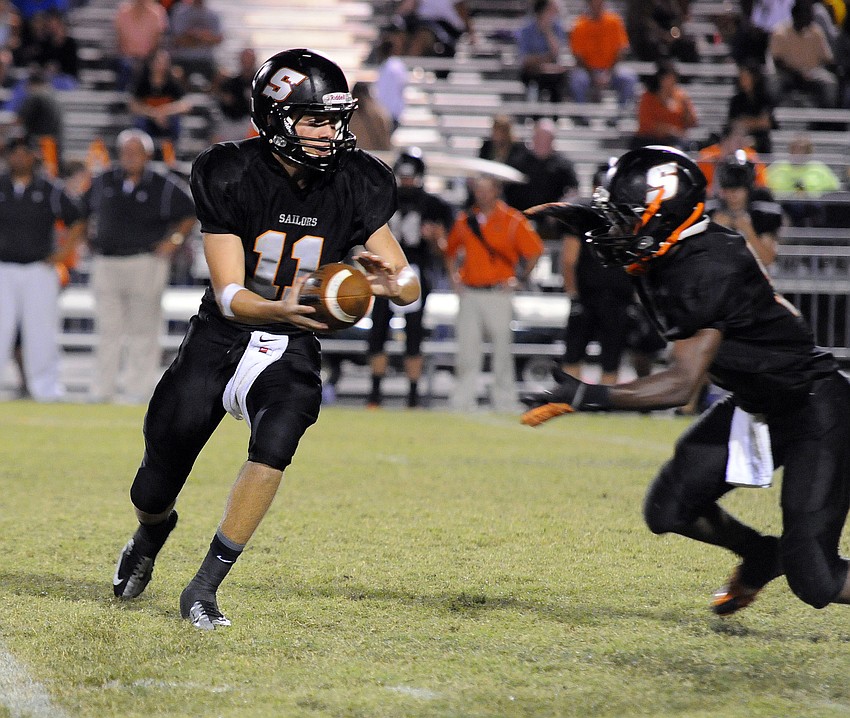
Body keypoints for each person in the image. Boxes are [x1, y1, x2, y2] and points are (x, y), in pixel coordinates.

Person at [111, 49, 420, 630]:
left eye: (336, 118)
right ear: (277, 120)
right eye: (316, 120)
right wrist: (273, 303)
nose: (333, 132)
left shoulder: (358, 181)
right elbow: (229, 292)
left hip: (293, 341)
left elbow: (408, 283)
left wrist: (392, 282)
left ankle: (204, 586)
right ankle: (152, 533)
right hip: (220, 335)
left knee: (280, 436)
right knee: (154, 481)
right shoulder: (229, 171)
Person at [521, 145, 850, 617]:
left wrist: (587, 394)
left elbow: (681, 385)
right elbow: (624, 232)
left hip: (814, 407)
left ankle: (786, 559)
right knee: (670, 509)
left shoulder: (706, 265)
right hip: (759, 404)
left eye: (624, 217)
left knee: (815, 576)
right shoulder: (669, 243)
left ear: (663, 212)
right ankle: (759, 552)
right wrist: (584, 216)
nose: (615, 229)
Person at [81, 128, 196, 404]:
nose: (129, 157)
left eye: (135, 151)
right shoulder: (104, 180)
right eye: (125, 151)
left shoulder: (162, 184)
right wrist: (88, 240)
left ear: (147, 154)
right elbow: (82, 211)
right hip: (107, 261)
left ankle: (138, 390)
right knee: (107, 329)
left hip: (146, 260)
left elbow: (189, 212)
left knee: (143, 329)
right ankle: (102, 390)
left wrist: (174, 241)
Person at [444, 175, 543, 412]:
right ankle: (463, 399)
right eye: (479, 190)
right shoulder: (466, 220)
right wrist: (454, 279)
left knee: (501, 349)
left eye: (487, 190)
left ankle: (505, 399)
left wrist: (520, 279)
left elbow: (535, 250)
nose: (482, 195)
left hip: (498, 292)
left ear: (496, 191)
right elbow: (450, 250)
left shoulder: (511, 220)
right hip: (470, 292)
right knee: (468, 350)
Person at [0, 134, 84, 401]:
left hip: (39, 268)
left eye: (25, 152)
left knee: (41, 332)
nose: (19, 158)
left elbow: (77, 218)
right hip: (3, 268)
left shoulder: (49, 188)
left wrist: (64, 252)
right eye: (14, 152)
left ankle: (45, 388)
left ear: (34, 156)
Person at [366, 148, 453, 409]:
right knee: (378, 330)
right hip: (386, 269)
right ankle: (375, 393)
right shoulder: (383, 199)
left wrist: (435, 238)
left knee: (414, 332)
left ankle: (413, 395)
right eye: (402, 177)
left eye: (410, 177)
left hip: (415, 268)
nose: (406, 183)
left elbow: (443, 248)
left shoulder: (433, 205)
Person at [707, 151, 784, 268]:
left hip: (752, 278)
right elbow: (702, 260)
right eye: (729, 190)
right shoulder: (711, 212)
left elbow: (767, 259)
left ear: (748, 189)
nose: (733, 196)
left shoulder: (761, 212)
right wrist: (715, 232)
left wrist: (748, 231)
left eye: (738, 190)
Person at [569, 0, 637, 113]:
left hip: (611, 70)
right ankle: (582, 116)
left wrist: (608, 73)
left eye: (600, 3)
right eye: (593, 3)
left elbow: (621, 50)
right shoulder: (579, 24)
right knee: (578, 80)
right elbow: (577, 56)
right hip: (588, 71)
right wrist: (593, 76)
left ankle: (619, 116)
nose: (597, 6)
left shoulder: (614, 22)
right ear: (588, 4)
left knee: (629, 78)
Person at [769, 0, 837, 108]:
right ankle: (772, 114)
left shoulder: (816, 32)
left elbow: (827, 59)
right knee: (773, 82)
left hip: (812, 74)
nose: (810, 17)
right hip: (788, 74)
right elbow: (777, 61)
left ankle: (826, 120)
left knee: (830, 82)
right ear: (796, 14)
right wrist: (798, 73)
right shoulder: (780, 32)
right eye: (807, 13)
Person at [519, 117, 578, 236]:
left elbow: (573, 191)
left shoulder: (563, 165)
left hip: (551, 220)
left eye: (546, 139)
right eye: (539, 138)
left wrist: (558, 212)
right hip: (522, 217)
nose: (542, 142)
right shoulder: (520, 161)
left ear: (552, 140)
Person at [128, 48, 191, 146]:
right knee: (140, 122)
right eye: (158, 61)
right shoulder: (142, 82)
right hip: (148, 120)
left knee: (176, 121)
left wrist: (164, 111)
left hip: (166, 122)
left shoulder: (173, 82)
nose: (161, 65)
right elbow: (133, 105)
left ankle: (171, 151)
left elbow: (185, 105)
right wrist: (153, 114)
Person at [632, 60, 698, 150]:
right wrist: (669, 130)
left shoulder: (681, 96)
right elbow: (646, 123)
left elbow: (692, 122)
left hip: (674, 141)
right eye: (668, 78)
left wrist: (686, 109)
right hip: (650, 140)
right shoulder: (648, 97)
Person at [515, 0, 570, 104]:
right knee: (533, 80)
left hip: (552, 73)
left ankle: (555, 117)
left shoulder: (557, 27)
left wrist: (547, 31)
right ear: (542, 11)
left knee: (559, 80)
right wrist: (543, 61)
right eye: (551, 10)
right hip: (532, 72)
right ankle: (535, 116)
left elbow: (556, 53)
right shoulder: (526, 30)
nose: (554, 14)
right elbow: (524, 59)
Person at [477, 114, 533, 211]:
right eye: (496, 130)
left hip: (511, 191)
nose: (498, 135)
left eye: (502, 131)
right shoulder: (486, 147)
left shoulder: (518, 149)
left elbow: (519, 172)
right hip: (489, 187)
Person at [696, 121, 767, 195]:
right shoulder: (707, 157)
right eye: (737, 141)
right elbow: (700, 186)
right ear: (724, 140)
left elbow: (760, 185)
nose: (741, 145)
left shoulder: (751, 158)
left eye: (742, 140)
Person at [114, 0, 169, 91]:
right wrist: (131, 57)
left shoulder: (157, 12)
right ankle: (121, 101)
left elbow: (157, 41)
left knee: (153, 68)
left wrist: (146, 58)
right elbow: (120, 41)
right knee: (125, 67)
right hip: (127, 57)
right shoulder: (124, 12)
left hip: (149, 58)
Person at [624, 0, 699, 63]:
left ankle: (685, 79)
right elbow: (642, 21)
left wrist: (673, 34)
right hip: (647, 38)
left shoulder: (669, 2)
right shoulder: (640, 3)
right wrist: (663, 35)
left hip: (669, 37)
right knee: (651, 42)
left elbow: (676, 19)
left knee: (688, 44)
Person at [167, 0, 222, 85]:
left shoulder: (213, 14)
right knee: (176, 73)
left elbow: (218, 39)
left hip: (206, 60)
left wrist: (194, 36)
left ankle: (211, 95)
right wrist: (204, 37)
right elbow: (178, 40)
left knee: (222, 74)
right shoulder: (180, 11)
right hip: (183, 59)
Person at [727, 60, 776, 155]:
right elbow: (734, 123)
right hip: (739, 140)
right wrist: (755, 122)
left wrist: (746, 122)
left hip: (760, 141)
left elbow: (766, 123)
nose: (742, 79)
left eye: (746, 76)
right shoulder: (736, 100)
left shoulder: (765, 99)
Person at [212, 47, 256, 142]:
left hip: (250, 121)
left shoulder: (259, 82)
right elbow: (223, 100)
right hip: (230, 121)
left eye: (249, 59)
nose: (246, 62)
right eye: (244, 59)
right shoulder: (232, 82)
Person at [347, 81, 393, 151]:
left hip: (367, 154)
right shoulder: (378, 112)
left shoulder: (376, 114)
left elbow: (384, 138)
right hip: (365, 154)